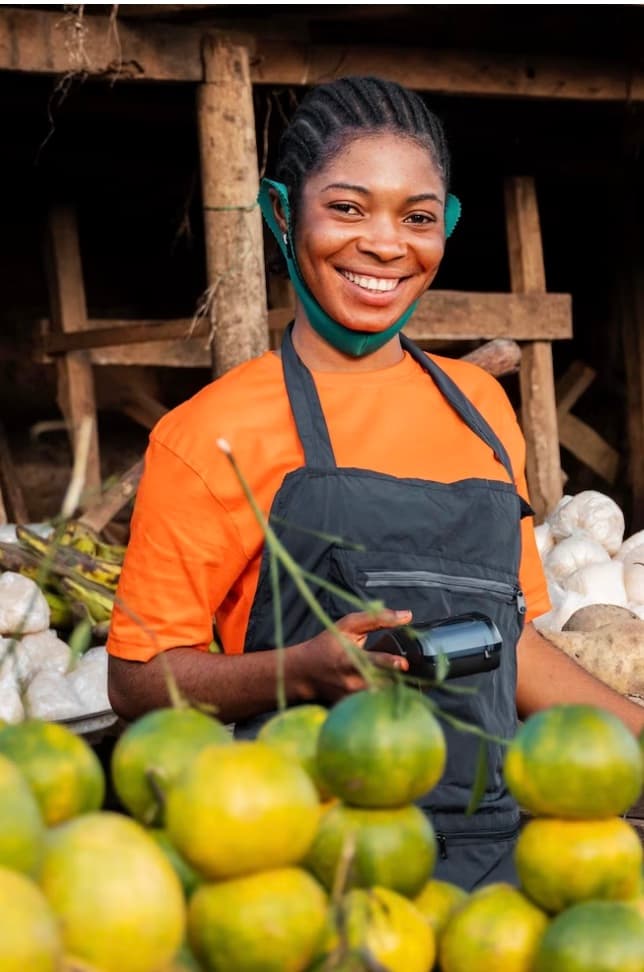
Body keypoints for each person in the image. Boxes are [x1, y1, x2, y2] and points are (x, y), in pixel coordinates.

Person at [107, 77, 643, 890]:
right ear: (283, 214)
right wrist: (302, 670)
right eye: (349, 208)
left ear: (446, 228)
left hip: (492, 850)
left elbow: (517, 641)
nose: (386, 245)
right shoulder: (207, 432)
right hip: (309, 858)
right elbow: (137, 680)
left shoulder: (481, 410)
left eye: (417, 217)